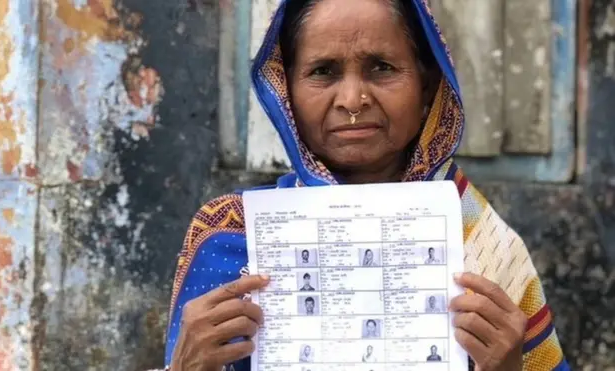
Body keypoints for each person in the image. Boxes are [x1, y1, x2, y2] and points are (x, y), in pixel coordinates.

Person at [161, 1, 570, 371]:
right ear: (287, 92)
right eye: (323, 71)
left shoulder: (482, 244)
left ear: (427, 88)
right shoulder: (231, 235)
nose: (353, 100)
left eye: (381, 68)